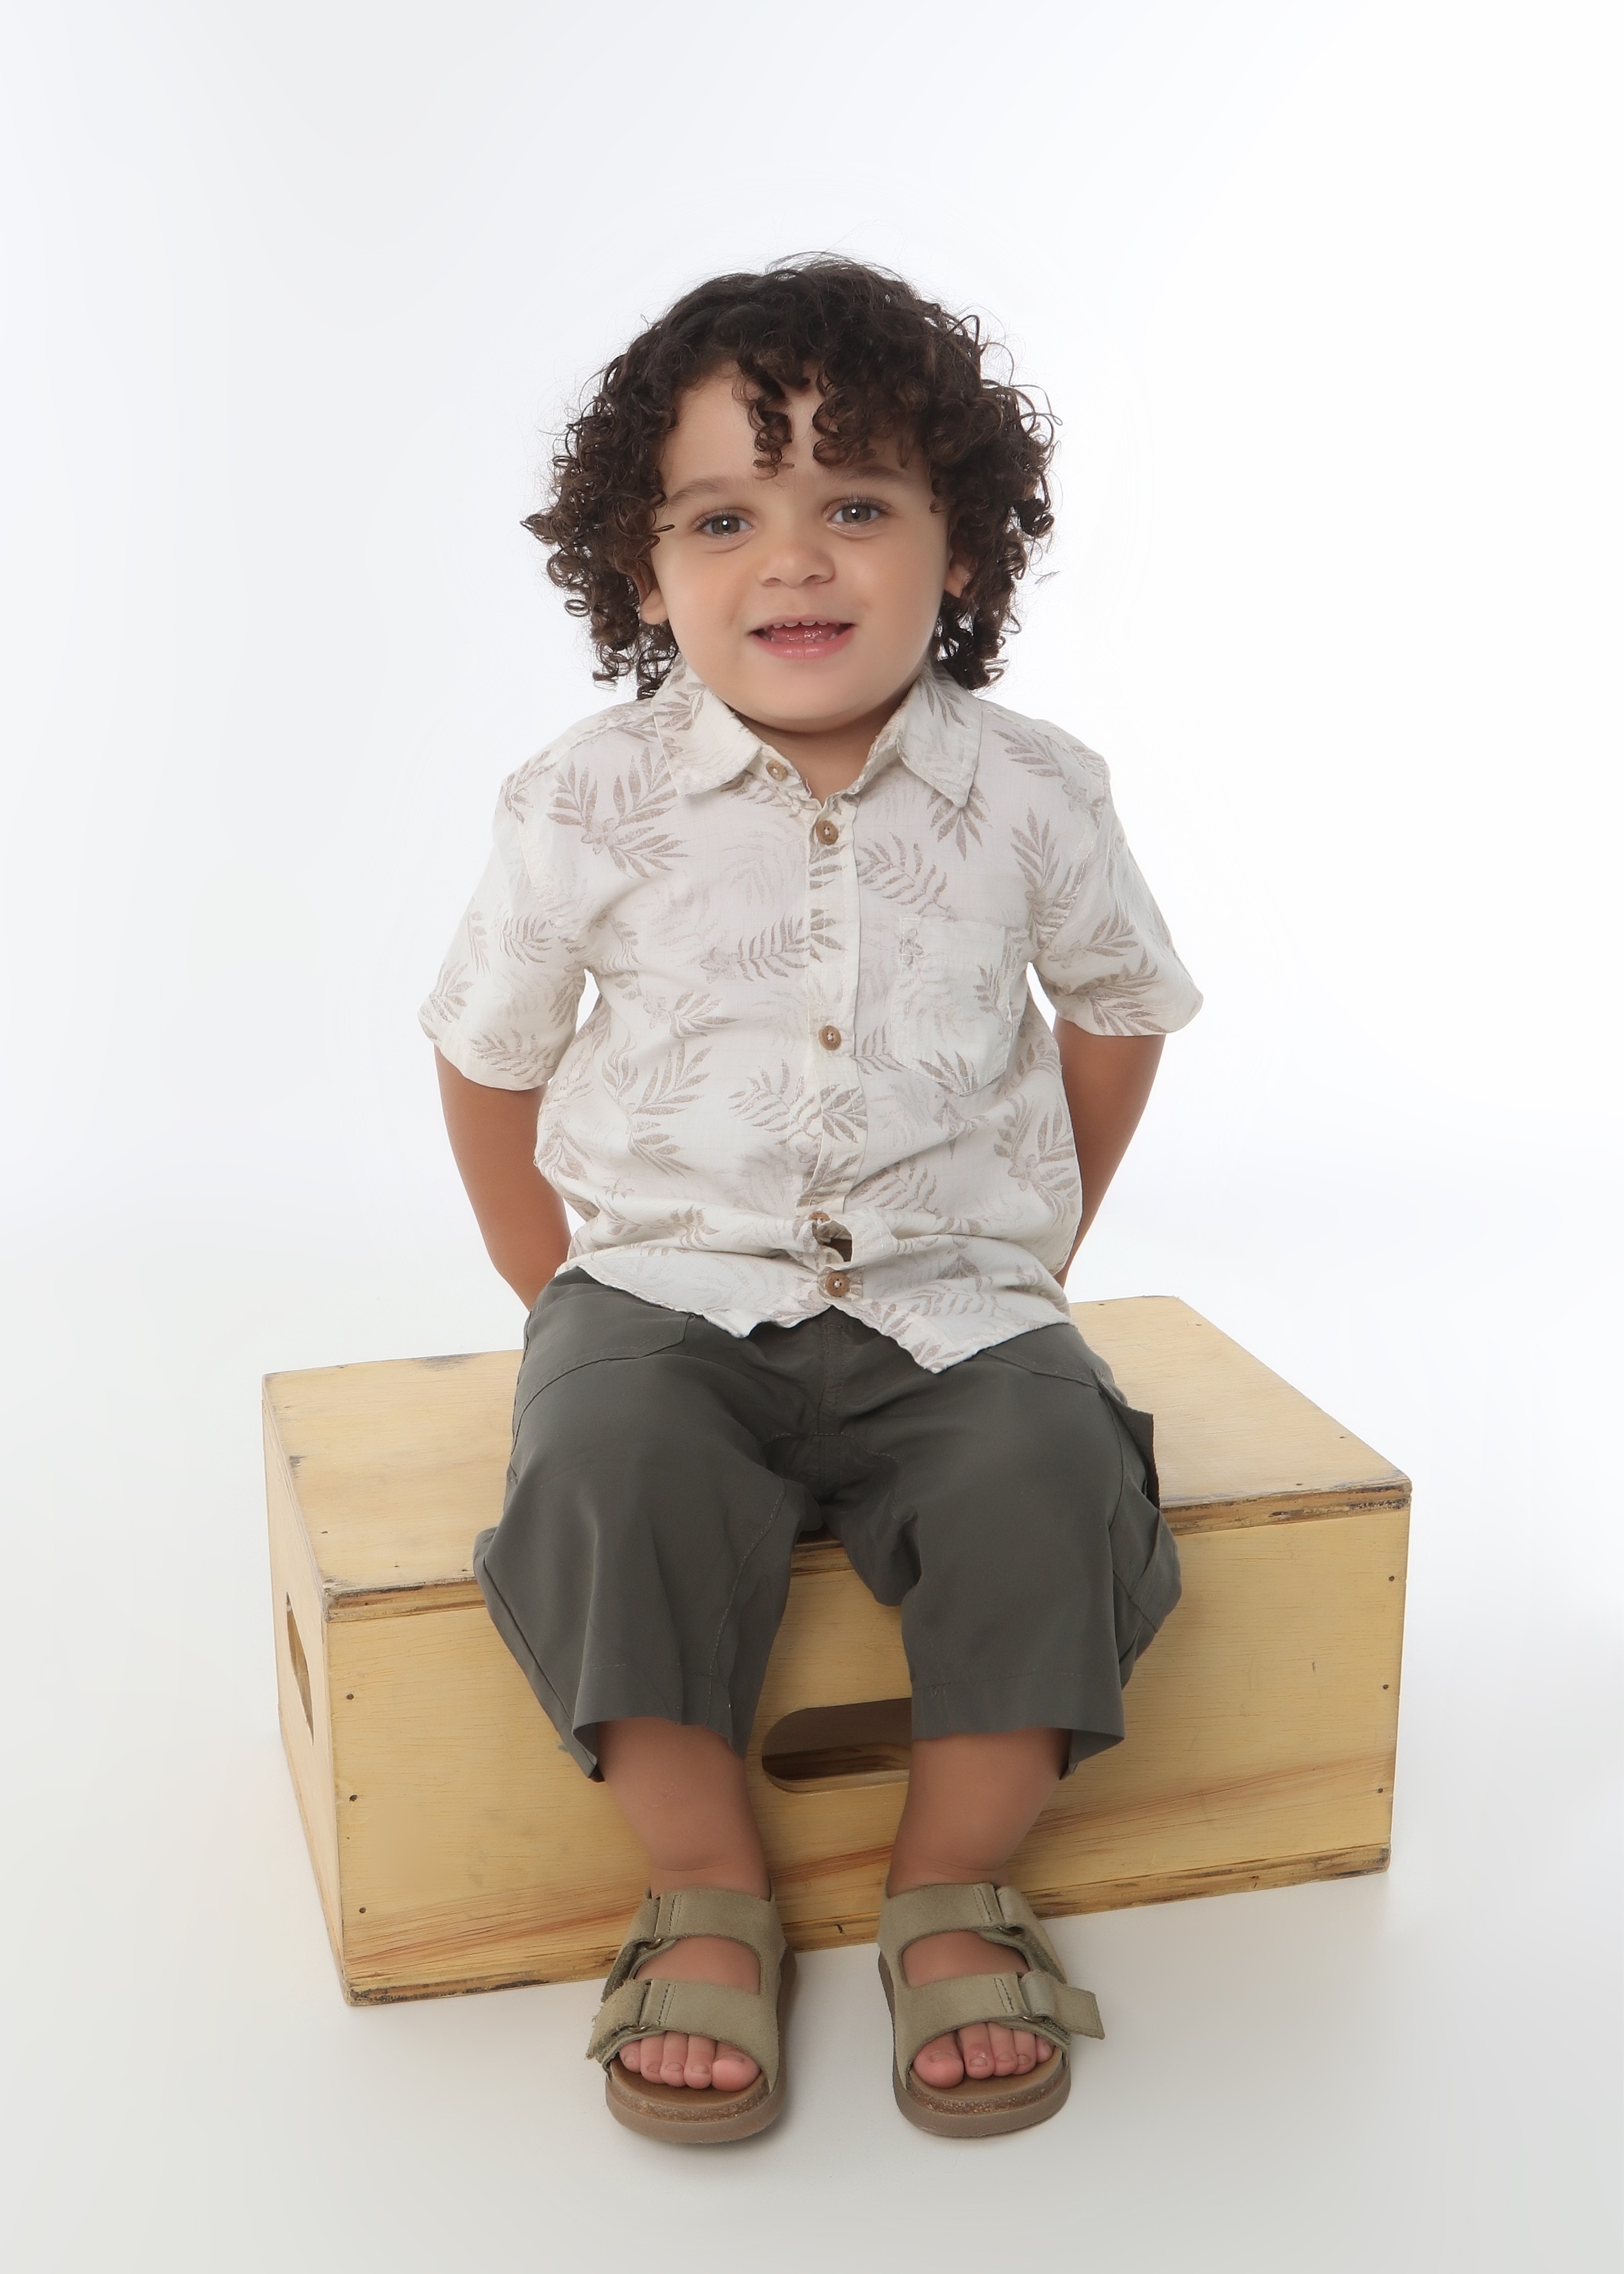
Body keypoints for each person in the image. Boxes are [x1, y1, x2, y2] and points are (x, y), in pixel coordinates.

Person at [422, 258, 1201, 2141]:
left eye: (856, 504)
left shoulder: (1036, 793)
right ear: (642, 570)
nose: (793, 560)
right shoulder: (581, 803)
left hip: (955, 1291)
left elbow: (1114, 1011)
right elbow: (490, 1058)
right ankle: (704, 1885)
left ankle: (951, 1884)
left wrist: (1038, 1248)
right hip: (667, 1290)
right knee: (607, 1464)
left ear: (963, 550)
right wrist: (563, 1307)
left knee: (1054, 1469)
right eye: (722, 518)